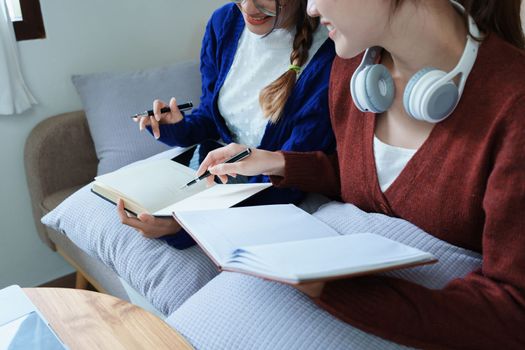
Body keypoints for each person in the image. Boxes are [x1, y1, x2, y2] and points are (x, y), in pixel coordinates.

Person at [197, 0, 525, 348]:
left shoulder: (513, 108)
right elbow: (363, 178)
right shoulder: (354, 72)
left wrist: (333, 288)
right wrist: (276, 162)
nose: (309, 8)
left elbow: (514, 312)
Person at [117, 0, 336, 242]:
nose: (248, 9)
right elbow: (212, 118)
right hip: (226, 176)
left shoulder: (332, 56)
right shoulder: (224, 23)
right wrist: (176, 128)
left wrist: (183, 227)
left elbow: (291, 177)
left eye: (265, 2)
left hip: (272, 192)